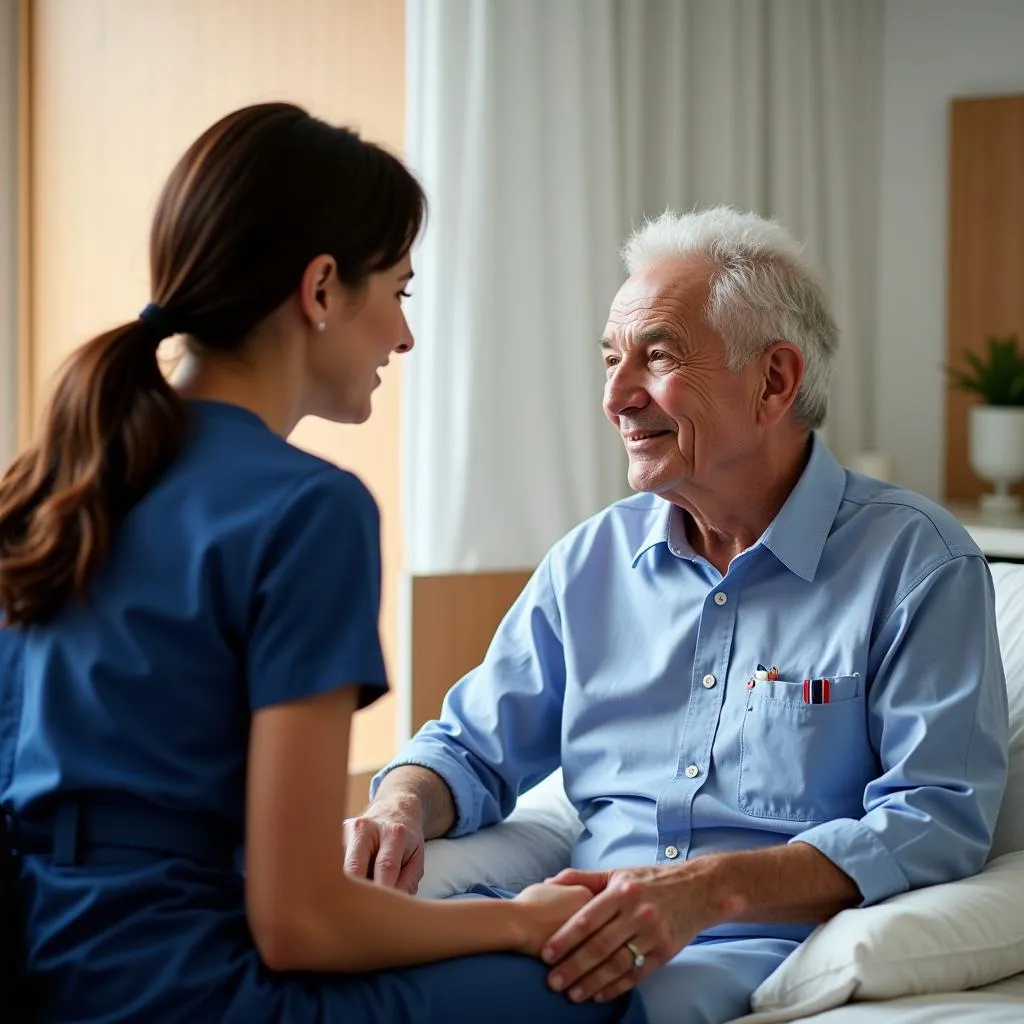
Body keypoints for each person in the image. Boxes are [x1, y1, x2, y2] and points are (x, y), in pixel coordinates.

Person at [0, 103, 646, 1024]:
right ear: (321, 289)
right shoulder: (308, 509)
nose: (404, 337)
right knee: (590, 991)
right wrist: (515, 923)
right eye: (400, 292)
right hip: (177, 985)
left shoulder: (58, 476)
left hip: (38, 963)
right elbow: (299, 922)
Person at [347, 206, 1010, 1024]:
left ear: (775, 381)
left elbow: (935, 818)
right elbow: (468, 748)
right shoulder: (590, 561)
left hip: (733, 950)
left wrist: (709, 891)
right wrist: (399, 804)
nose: (617, 397)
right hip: (560, 921)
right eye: (609, 360)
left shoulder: (918, 563)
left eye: (656, 357)